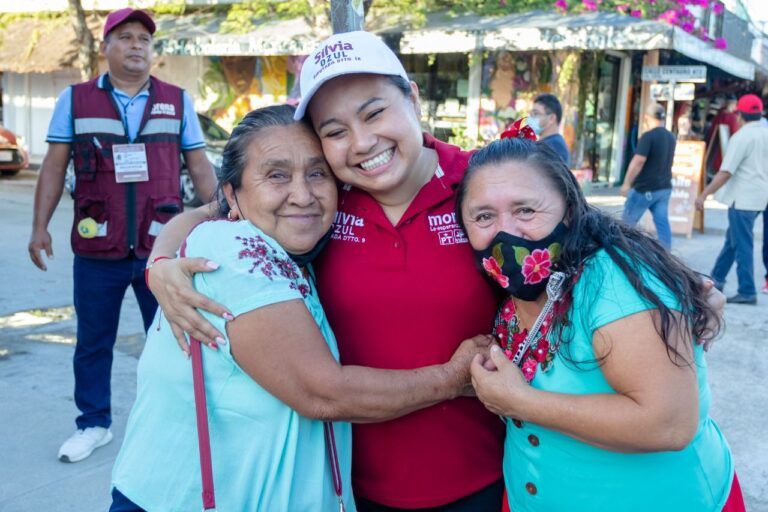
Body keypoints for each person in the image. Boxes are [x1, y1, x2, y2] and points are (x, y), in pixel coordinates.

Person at [145, 31, 506, 511]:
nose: (362, 142)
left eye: (375, 112)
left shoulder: (483, 183)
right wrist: (161, 264)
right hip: (352, 491)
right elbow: (212, 210)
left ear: (412, 97)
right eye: (335, 131)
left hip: (482, 479)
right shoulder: (324, 196)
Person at [457, 135, 743, 512]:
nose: (507, 232)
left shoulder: (613, 279)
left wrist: (519, 401)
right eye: (484, 216)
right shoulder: (508, 283)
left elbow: (669, 423)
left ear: (570, 210)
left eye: (525, 210)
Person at [27, 7, 218, 463]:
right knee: (94, 342)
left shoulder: (177, 99)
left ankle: (185, 422)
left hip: (163, 248)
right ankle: (93, 424)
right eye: (126, 37)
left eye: (144, 40)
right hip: (98, 247)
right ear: (105, 47)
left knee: (179, 336)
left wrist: (224, 220)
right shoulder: (75, 100)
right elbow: (54, 166)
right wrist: (39, 228)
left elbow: (199, 165)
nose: (137, 45)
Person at [695, 94, 768, 305]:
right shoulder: (765, 133)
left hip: (743, 198)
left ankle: (747, 290)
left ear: (739, 115)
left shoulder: (742, 137)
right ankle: (716, 279)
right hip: (759, 197)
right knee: (733, 240)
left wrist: (703, 194)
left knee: (742, 243)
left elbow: (725, 172)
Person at [620, 104, 676, 250]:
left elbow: (638, 161)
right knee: (663, 225)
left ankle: (621, 253)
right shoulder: (671, 137)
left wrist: (626, 183)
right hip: (663, 188)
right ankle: (666, 258)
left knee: (626, 226)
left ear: (647, 117)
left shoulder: (648, 136)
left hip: (645, 189)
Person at [528, 93, 570, 166]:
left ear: (551, 118)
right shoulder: (546, 143)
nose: (531, 118)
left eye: (536, 114)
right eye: (531, 114)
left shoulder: (555, 146)